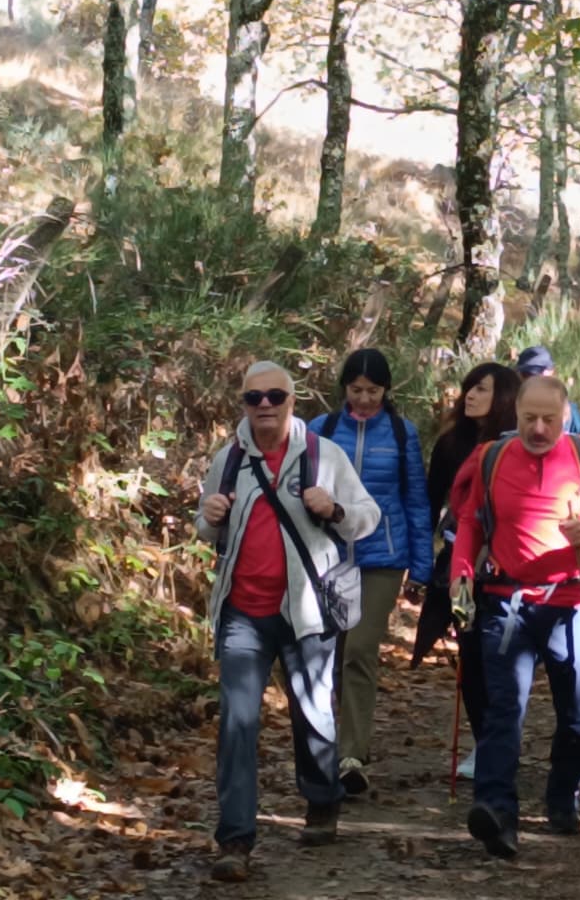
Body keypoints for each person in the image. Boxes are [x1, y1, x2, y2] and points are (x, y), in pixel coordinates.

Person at [195, 361, 381, 882]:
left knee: (313, 714)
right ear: (243, 403)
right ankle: (235, 839)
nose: (265, 406)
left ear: (292, 401)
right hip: (243, 612)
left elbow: (367, 516)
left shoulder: (325, 455)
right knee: (237, 723)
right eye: (254, 398)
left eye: (275, 396)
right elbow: (207, 526)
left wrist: (335, 509)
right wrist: (208, 517)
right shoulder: (228, 459)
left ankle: (322, 799)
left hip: (308, 610)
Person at [449, 376, 580, 859]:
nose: (537, 428)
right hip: (507, 601)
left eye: (548, 420)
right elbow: (470, 521)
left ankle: (562, 796)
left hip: (573, 601)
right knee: (503, 709)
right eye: (528, 418)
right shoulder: (492, 458)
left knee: (575, 713)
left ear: (565, 417)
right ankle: (496, 812)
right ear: (515, 415)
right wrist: (461, 573)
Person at [311, 349, 432, 797]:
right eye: (356, 389)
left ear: (386, 391)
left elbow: (415, 500)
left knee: (360, 651)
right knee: (329, 655)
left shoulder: (402, 434)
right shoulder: (320, 430)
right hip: (327, 558)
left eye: (373, 391)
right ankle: (327, 744)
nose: (364, 399)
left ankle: (352, 756)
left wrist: (421, 568)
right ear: (344, 388)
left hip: (383, 558)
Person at [413, 362, 521, 780]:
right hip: (459, 570)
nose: (470, 396)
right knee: (470, 654)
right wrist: (422, 565)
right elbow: (430, 502)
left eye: (481, 389)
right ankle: (484, 744)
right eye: (468, 388)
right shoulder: (451, 444)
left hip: (507, 570)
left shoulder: (518, 446)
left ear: (504, 397)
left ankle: (500, 741)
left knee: (501, 660)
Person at [516, 345, 580, 433]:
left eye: (536, 375)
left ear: (551, 372)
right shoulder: (512, 408)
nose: (531, 381)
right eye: (526, 375)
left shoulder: (571, 414)